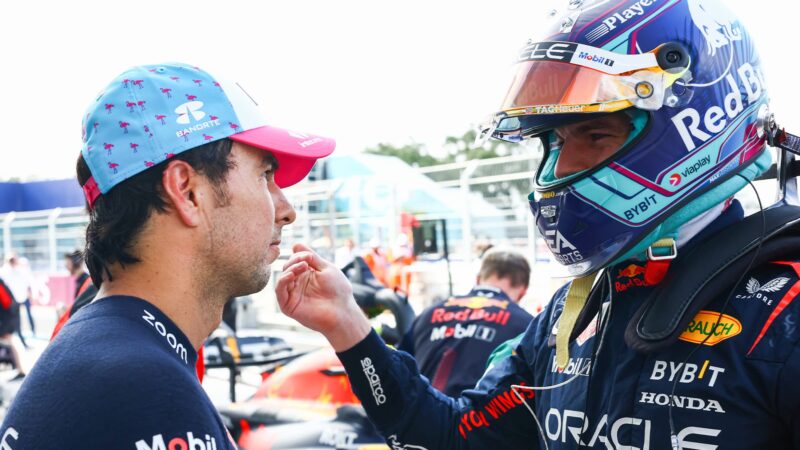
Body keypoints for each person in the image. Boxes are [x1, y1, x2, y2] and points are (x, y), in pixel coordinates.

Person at [275, 1, 800, 448]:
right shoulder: (569, 315)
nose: (560, 170)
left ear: (696, 123)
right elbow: (449, 436)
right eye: (552, 143)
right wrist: (349, 328)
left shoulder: (783, 313)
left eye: (594, 135)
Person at [0, 62, 335, 449]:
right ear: (187, 192)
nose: (286, 209)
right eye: (265, 175)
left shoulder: (109, 348)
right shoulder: (143, 384)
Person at [399, 249, 533, 396]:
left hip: (419, 411)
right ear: (523, 291)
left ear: (478, 279)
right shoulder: (527, 326)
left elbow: (399, 367)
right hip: (476, 416)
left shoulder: (427, 313)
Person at [0, 254, 36, 346]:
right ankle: (23, 342)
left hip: (18, 299)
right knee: (16, 323)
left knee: (28, 315)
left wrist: (29, 292)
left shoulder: (21, 270)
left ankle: (32, 332)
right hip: (12, 302)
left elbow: (28, 281)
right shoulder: (4, 271)